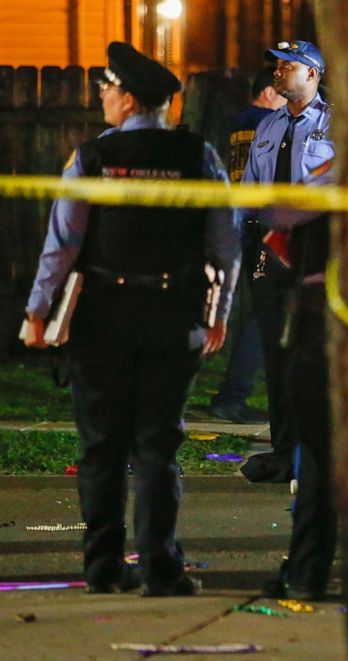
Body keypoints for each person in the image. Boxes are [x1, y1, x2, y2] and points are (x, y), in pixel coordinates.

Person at [22, 42, 239, 596]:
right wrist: (219, 315)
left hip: (101, 319)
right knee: (157, 447)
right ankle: (162, 567)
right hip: (173, 316)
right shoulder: (200, 158)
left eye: (106, 89)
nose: (101, 97)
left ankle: (102, 566)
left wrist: (38, 312)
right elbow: (225, 246)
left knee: (101, 445)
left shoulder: (90, 159)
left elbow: (62, 246)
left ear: (127, 98)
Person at [240, 40, 336, 600]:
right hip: (269, 247)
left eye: (290, 64)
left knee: (308, 352)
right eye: (276, 62)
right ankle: (284, 449)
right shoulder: (268, 124)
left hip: (314, 252)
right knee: (275, 353)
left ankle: (309, 452)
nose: (279, 69)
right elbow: (253, 190)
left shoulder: (334, 127)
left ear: (315, 74)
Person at [209, 66, 287, 424]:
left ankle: (230, 392)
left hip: (236, 224)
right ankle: (233, 395)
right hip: (261, 226)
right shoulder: (270, 122)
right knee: (264, 311)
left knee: (244, 309)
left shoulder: (240, 122)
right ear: (269, 93)